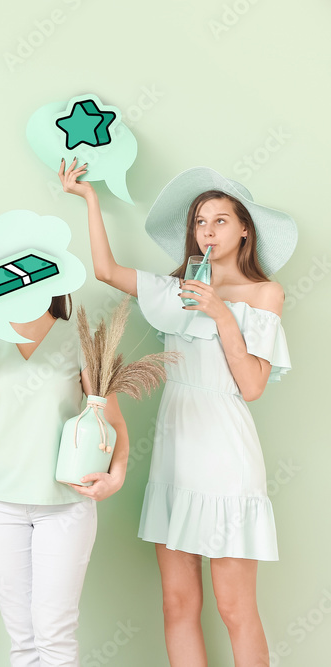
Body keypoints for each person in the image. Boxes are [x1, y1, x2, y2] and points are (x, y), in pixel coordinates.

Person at [60, 160, 293, 666]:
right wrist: (90, 199)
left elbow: (252, 385)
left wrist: (219, 312)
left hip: (227, 455)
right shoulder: (176, 290)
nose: (207, 232)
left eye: (220, 221)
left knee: (235, 608)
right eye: (200, 223)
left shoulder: (263, 294)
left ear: (245, 228)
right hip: (175, 452)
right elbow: (105, 270)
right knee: (177, 603)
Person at [0, 293, 129, 666]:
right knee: (23, 639)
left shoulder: (80, 338)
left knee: (54, 635)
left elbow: (113, 420)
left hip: (66, 506)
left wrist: (117, 477)